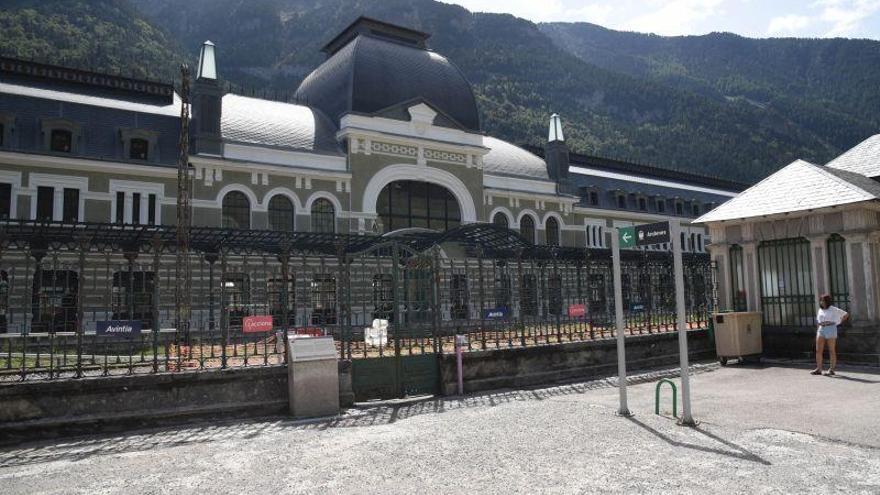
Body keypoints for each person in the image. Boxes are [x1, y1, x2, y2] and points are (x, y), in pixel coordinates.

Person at [812, 294, 848, 376]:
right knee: (818, 350)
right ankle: (819, 369)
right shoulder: (820, 310)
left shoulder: (833, 309)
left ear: (827, 301)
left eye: (823, 301)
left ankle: (831, 369)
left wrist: (837, 322)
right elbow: (818, 320)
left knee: (831, 350)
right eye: (821, 300)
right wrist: (818, 329)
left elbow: (845, 314)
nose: (822, 302)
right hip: (821, 328)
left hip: (831, 328)